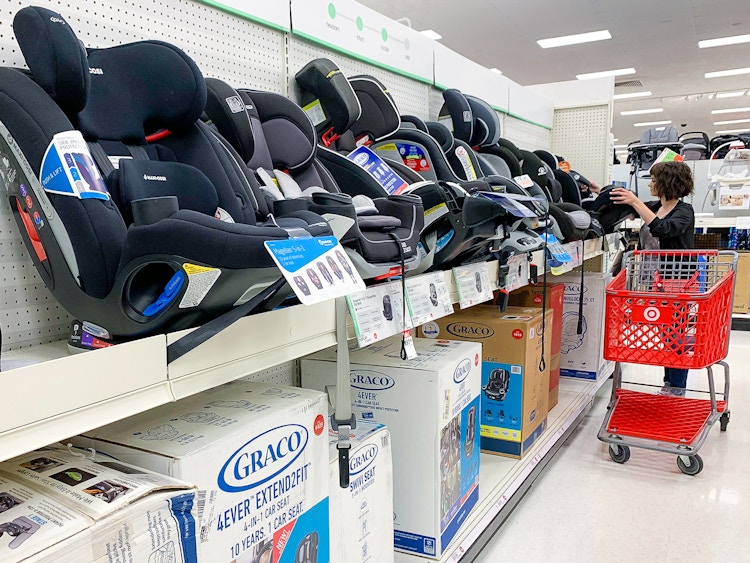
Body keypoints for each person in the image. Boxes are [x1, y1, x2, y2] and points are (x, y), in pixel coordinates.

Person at [610, 161, 695, 395]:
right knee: (666, 333)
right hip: (655, 280)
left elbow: (663, 229)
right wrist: (600, 191)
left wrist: (636, 202)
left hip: (678, 281)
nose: (650, 184)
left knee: (674, 334)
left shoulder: (684, 211)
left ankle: (676, 386)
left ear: (667, 182)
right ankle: (670, 383)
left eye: (654, 179)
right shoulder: (656, 205)